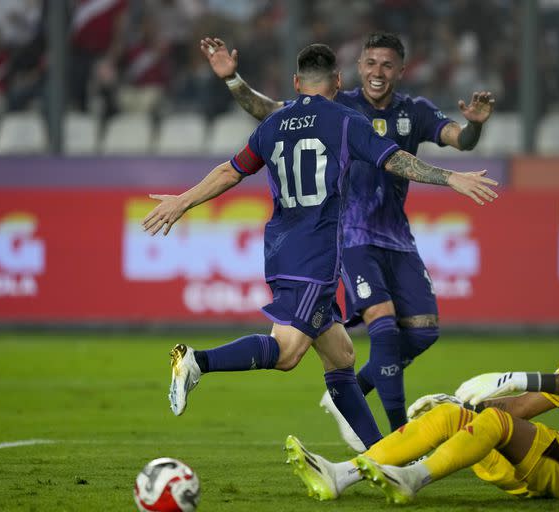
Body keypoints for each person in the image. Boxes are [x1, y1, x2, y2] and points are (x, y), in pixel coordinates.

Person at [142, 43, 499, 452]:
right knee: (288, 353)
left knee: (342, 358)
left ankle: (382, 456)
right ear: (339, 82)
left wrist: (181, 201)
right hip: (316, 257)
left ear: (296, 84)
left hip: (281, 251)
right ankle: (195, 361)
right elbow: (396, 160)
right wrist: (450, 178)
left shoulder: (274, 124)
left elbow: (231, 170)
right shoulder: (347, 121)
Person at [284, 268, 559, 503]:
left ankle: (412, 479)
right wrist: (463, 408)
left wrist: (516, 378)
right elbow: (521, 409)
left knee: (492, 425)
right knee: (454, 415)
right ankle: (342, 475)